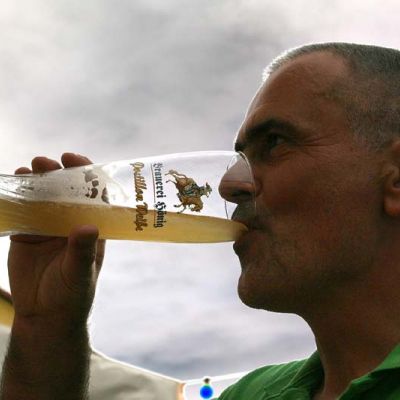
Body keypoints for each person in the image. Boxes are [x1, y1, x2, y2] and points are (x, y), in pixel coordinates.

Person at [1, 42, 400, 399]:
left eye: (275, 143)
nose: (228, 186)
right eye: (240, 158)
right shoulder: (252, 394)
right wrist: (47, 328)